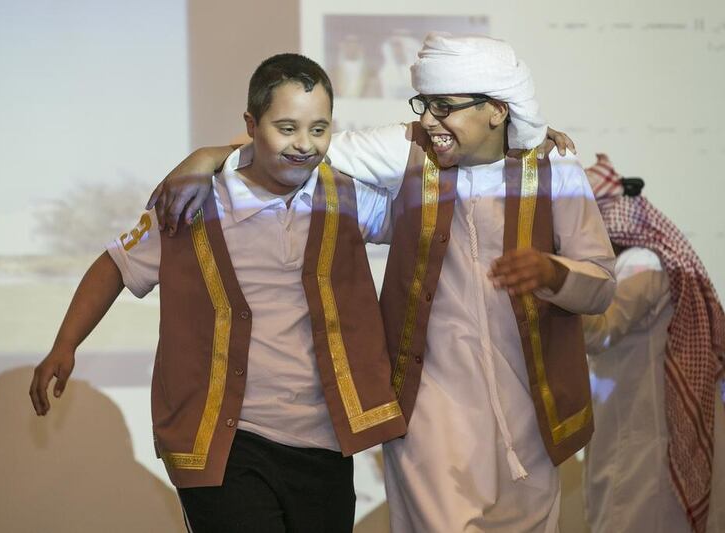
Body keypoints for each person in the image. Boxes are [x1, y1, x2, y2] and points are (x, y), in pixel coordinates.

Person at [146, 33, 615, 532]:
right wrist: (209, 155)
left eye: (444, 107)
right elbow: (299, 146)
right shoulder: (406, 148)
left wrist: (555, 274)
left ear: (497, 110)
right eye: (425, 105)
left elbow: (601, 284)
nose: (429, 120)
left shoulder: (555, 168)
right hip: (433, 407)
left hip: (532, 411)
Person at [28, 53, 409, 533]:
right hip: (226, 443)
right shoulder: (192, 200)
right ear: (251, 124)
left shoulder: (348, 198)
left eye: (319, 129)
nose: (304, 145)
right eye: (286, 127)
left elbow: (428, 209)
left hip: (324, 442)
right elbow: (115, 266)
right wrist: (66, 343)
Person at [583, 154, 725, 533]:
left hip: (645, 447)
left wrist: (552, 286)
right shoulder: (636, 264)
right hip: (634, 434)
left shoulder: (641, 265)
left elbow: (600, 330)